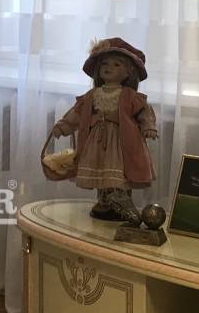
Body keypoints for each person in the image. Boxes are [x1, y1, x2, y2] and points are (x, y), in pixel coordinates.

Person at [49, 38, 158, 221]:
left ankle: (122, 204)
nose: (109, 68)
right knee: (100, 168)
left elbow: (144, 112)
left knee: (119, 171)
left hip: (121, 142)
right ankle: (104, 202)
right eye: (104, 64)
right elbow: (77, 113)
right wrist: (64, 125)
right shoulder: (92, 95)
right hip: (96, 141)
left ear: (128, 72)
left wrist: (149, 127)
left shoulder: (130, 96)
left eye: (116, 64)